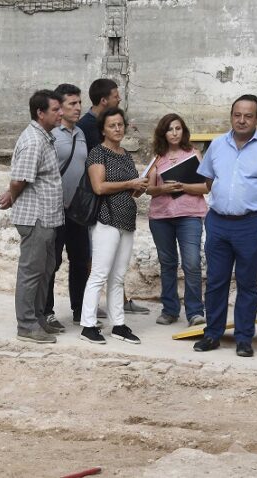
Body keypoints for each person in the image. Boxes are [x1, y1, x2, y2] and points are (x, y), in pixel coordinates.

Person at [193, 94, 257, 357]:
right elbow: (209, 182)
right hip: (218, 222)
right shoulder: (217, 145)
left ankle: (243, 338)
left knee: (247, 282)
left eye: (248, 116)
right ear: (231, 116)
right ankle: (212, 334)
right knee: (216, 281)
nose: (242, 120)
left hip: (252, 224)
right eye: (237, 115)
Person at [0, 90, 65, 344]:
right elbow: (19, 179)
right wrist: (11, 195)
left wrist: (11, 192)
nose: (61, 114)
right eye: (56, 110)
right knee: (31, 272)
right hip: (35, 217)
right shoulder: (34, 141)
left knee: (45, 270)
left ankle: (37, 319)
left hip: (46, 217)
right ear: (41, 112)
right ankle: (26, 324)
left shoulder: (43, 138)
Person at [77, 78, 150, 316]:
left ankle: (118, 323)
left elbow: (130, 191)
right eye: (112, 126)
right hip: (106, 220)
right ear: (103, 130)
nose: (117, 129)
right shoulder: (98, 153)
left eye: (120, 125)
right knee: (99, 274)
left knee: (118, 277)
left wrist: (139, 187)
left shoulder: (127, 156)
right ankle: (88, 323)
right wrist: (130, 183)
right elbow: (99, 187)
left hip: (126, 220)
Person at [42, 83, 97, 330]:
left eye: (79, 103)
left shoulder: (81, 134)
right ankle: (46, 312)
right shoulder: (51, 136)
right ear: (59, 109)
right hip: (54, 210)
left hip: (77, 211)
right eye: (72, 104)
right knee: (51, 262)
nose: (78, 108)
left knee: (80, 259)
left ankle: (79, 309)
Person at [146, 114, 208, 327]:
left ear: (183, 131)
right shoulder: (157, 158)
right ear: (163, 133)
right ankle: (170, 309)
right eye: (170, 129)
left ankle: (195, 312)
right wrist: (162, 189)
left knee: (191, 263)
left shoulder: (193, 154)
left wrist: (183, 186)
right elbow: (149, 190)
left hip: (189, 215)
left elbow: (207, 187)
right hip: (161, 217)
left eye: (178, 128)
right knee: (167, 264)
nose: (174, 133)